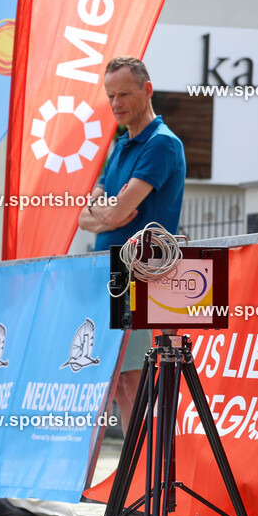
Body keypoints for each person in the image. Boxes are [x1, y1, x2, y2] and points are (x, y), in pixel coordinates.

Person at [78, 56, 186, 433]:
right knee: (123, 382)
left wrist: (108, 210)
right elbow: (87, 215)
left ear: (147, 90)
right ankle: (136, 475)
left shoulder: (161, 144)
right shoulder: (121, 144)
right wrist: (107, 211)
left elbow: (117, 211)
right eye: (110, 95)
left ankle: (150, 479)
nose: (116, 102)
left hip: (141, 269)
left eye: (124, 93)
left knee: (137, 381)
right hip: (113, 270)